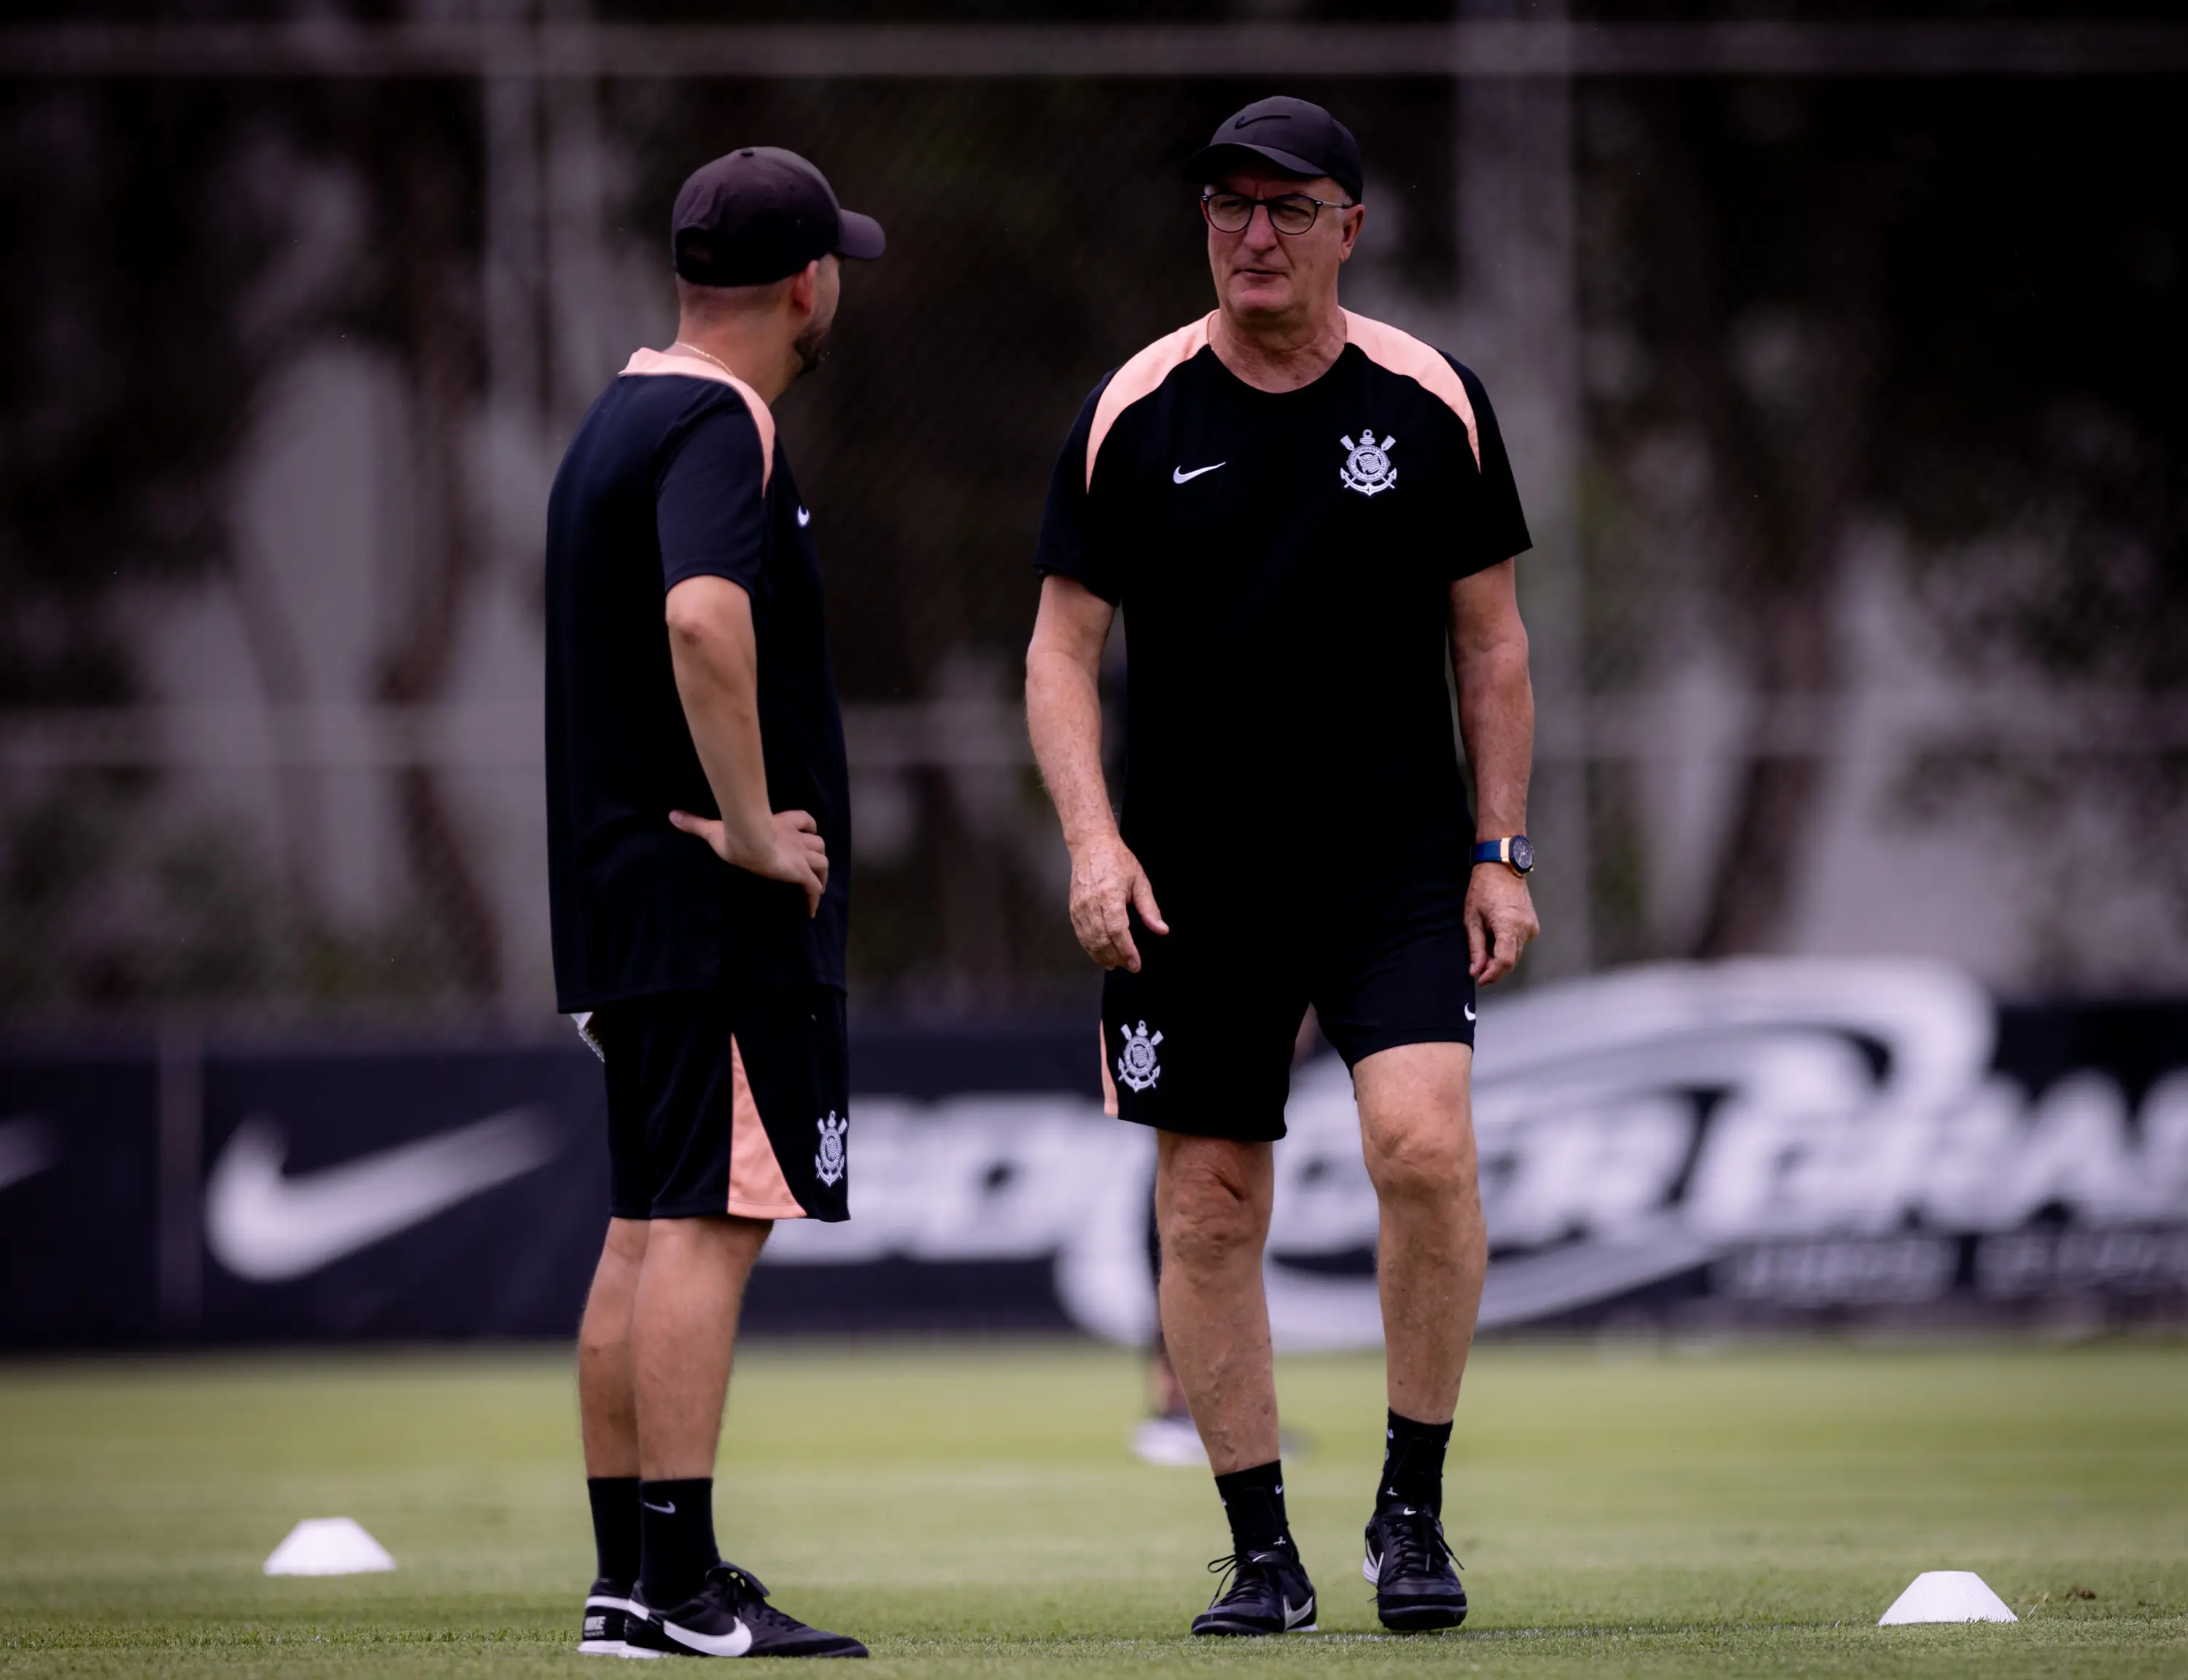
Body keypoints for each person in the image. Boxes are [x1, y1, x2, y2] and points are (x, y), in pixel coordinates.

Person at [1025, 96, 1540, 1637]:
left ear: (1348, 229)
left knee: (1424, 1151)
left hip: (1393, 862)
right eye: (1229, 207)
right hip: (1194, 879)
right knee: (1205, 1205)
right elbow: (1059, 652)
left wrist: (1500, 850)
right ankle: (1260, 1548)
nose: (1253, 234)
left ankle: (1413, 1509)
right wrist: (1093, 840)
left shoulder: (1431, 397)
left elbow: (1492, 642)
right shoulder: (1137, 408)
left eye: (1287, 208)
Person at [544, 145, 882, 1660]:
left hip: (621, 900)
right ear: (806, 284)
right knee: (707, 1222)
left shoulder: (617, 414)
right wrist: (751, 831)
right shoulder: (721, 422)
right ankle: (678, 1586)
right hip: (703, 905)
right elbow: (701, 619)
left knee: (642, 1225)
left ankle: (633, 1577)